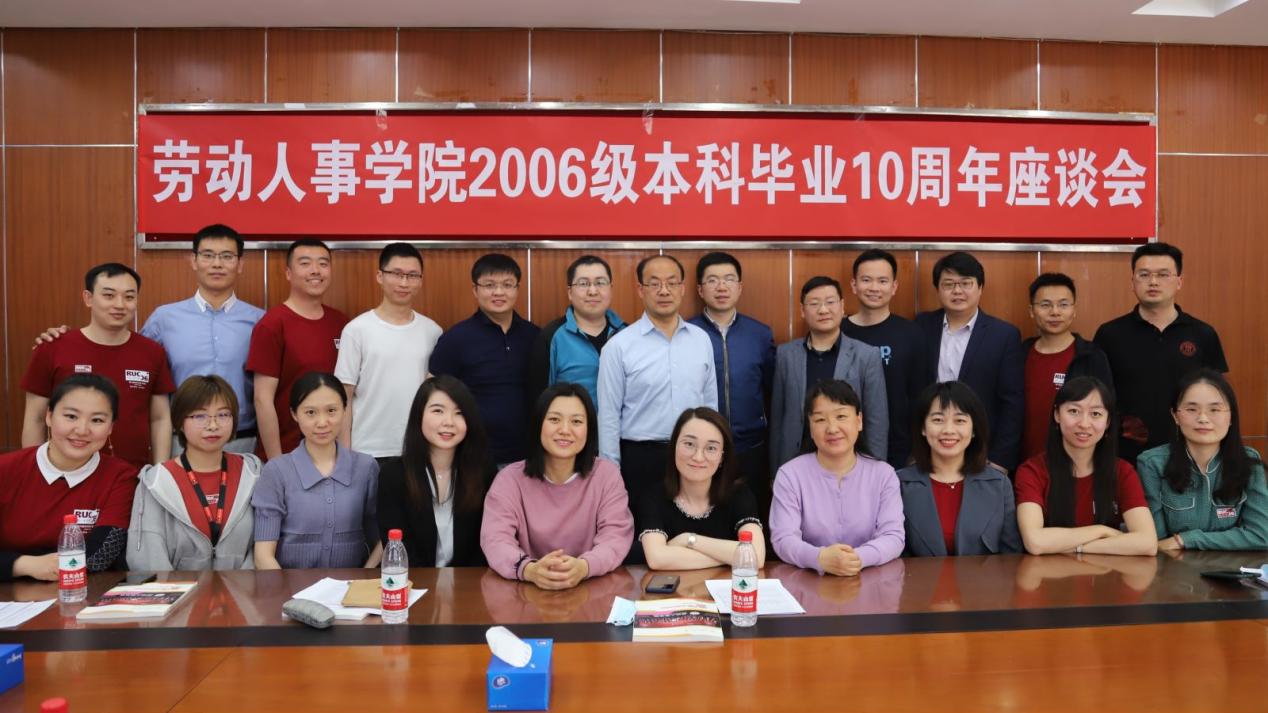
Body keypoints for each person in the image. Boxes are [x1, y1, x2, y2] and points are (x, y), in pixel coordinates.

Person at [34, 225, 265, 455]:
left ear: (240, 264)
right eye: (208, 255)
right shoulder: (164, 319)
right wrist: (65, 339)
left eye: (227, 256)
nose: (217, 264)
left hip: (242, 438)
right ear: (194, 261)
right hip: (180, 441)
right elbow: (129, 357)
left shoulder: (260, 321)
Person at [21, 263, 176, 467]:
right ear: (88, 298)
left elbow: (159, 418)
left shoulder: (152, 352)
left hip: (132, 472)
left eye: (129, 297)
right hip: (66, 470)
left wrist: (161, 471)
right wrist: (33, 472)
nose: (120, 304)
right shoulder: (53, 347)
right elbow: (35, 418)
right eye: (109, 295)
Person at [481, 383, 634, 589]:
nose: (565, 430)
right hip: (526, 590)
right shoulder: (509, 480)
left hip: (592, 588)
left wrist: (583, 567)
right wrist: (530, 570)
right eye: (554, 419)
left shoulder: (606, 476)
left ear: (589, 429)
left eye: (576, 421)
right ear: (538, 424)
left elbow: (616, 537)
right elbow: (495, 539)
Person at [597, 254, 717, 504]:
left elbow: (710, 406)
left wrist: (712, 454)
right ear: (640, 290)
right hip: (641, 458)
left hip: (694, 456)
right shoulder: (619, 346)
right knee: (642, 527)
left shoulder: (701, 340)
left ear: (682, 288)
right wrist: (611, 474)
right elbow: (608, 416)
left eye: (672, 283)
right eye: (654, 283)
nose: (664, 291)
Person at [1094, 242, 1228, 464]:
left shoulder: (1202, 333)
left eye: (1163, 275)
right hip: (1125, 454)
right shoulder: (1109, 334)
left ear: (1179, 281)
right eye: (1144, 275)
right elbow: (1097, 395)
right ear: (1133, 282)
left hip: (1190, 451)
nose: (1153, 282)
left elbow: (1219, 398)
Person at [1, 375, 137, 581]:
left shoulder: (121, 477)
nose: (82, 430)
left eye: (97, 420)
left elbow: (100, 555)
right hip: (10, 591)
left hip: (86, 590)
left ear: (110, 427)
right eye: (71, 416)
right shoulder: (5, 469)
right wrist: (24, 564)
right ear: (49, 416)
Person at [127, 375, 263, 571]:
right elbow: (148, 559)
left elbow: (263, 547)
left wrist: (242, 587)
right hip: (176, 590)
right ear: (180, 422)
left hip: (243, 588)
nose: (213, 425)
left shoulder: (253, 473)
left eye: (223, 415)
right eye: (200, 416)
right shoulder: (156, 481)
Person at [770, 380, 905, 576]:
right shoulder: (789, 475)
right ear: (810, 427)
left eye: (841, 416)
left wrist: (856, 559)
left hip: (871, 580)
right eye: (820, 420)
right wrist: (820, 558)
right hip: (807, 581)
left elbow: (893, 536)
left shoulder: (884, 475)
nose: (832, 428)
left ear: (859, 421)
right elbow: (783, 538)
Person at [1014, 376, 1157, 556]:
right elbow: (1035, 542)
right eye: (1074, 411)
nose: (1084, 424)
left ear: (1108, 422)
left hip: (1106, 572)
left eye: (1095, 414)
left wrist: (1078, 548)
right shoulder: (1032, 471)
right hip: (1047, 572)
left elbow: (1147, 543)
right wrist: (1102, 531)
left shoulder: (1122, 472)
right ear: (1057, 415)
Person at [251, 372, 381, 569]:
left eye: (331, 411)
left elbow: (382, 538)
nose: (322, 422)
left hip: (352, 586)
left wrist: (365, 577)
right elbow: (263, 556)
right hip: (289, 586)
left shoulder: (366, 467)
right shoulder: (277, 471)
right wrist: (286, 589)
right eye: (310, 413)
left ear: (345, 409)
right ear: (294, 414)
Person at [687, 252, 776, 523]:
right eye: (712, 280)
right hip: (700, 447)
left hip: (751, 446)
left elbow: (771, 390)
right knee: (707, 517)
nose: (721, 287)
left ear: (740, 287)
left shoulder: (760, 334)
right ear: (700, 289)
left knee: (752, 518)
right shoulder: (686, 333)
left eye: (728, 279)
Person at [914, 252, 1024, 471]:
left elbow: (1012, 402)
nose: (957, 291)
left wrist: (1001, 459)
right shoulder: (921, 326)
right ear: (938, 289)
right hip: (929, 447)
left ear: (980, 287)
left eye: (966, 283)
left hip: (983, 451)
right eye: (949, 284)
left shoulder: (1004, 335)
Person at [1137, 370, 1268, 551]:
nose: (1203, 419)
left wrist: (1187, 539)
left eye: (1214, 409)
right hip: (1173, 566)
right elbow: (1155, 540)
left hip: (1232, 566)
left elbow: (1261, 536)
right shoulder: (1152, 464)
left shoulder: (1249, 462)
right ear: (1175, 416)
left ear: (1231, 416)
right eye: (1192, 409)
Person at [335, 242, 442, 461]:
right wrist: (344, 456)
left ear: (421, 280)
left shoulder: (433, 331)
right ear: (380, 276)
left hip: (418, 448)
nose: (404, 283)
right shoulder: (356, 330)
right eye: (396, 274)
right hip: (367, 450)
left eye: (412, 276)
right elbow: (343, 397)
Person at [429, 253, 540, 466]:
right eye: (489, 285)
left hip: (528, 456)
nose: (499, 292)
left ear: (517, 289)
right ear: (475, 289)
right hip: (473, 457)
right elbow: (434, 395)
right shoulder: (455, 339)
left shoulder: (535, 336)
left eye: (507, 284)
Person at [247, 238, 349, 461]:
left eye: (323, 263)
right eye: (305, 263)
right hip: (288, 453)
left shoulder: (342, 323)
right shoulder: (272, 324)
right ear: (288, 273)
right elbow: (263, 399)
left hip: (332, 453)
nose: (315, 270)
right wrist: (277, 463)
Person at [772, 276, 887, 470]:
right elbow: (777, 417)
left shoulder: (866, 356)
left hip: (849, 462)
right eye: (814, 303)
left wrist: (876, 469)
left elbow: (877, 420)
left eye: (830, 302)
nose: (823, 310)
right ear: (802, 311)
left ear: (842, 307)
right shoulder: (785, 355)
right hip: (795, 461)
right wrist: (775, 470)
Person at [377, 375, 494, 567]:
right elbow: (398, 546)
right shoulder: (394, 475)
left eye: (459, 413)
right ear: (419, 415)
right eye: (438, 411)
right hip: (412, 580)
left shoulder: (483, 471)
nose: (449, 422)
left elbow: (487, 542)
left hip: (469, 581)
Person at [897, 382, 1022, 557]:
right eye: (938, 420)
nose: (948, 430)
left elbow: (1011, 557)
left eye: (960, 420)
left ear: (974, 430)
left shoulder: (999, 485)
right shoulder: (899, 484)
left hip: (985, 576)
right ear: (923, 428)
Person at [638, 407, 765, 570]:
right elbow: (657, 559)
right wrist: (731, 557)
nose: (698, 457)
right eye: (689, 444)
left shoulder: (738, 494)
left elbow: (756, 556)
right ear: (674, 446)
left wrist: (689, 540)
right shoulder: (654, 496)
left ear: (722, 457)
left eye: (711, 448)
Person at [844, 249, 927, 469]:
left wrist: (916, 450)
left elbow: (921, 397)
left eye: (882, 281)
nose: (874, 288)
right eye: (866, 280)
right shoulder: (837, 332)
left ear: (894, 286)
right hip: (843, 446)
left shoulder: (912, 334)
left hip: (899, 451)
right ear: (854, 285)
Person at [1021, 273, 1113, 461]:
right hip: (1023, 462)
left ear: (1074, 310)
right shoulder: (1019, 354)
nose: (1055, 312)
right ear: (1031, 311)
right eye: (1045, 305)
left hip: (1075, 462)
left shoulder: (1091, 356)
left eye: (1063, 305)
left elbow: (1106, 410)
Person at [528, 254, 626, 405]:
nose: (592, 291)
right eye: (583, 283)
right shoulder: (551, 337)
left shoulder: (627, 334)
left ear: (610, 289)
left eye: (600, 283)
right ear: (570, 292)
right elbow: (539, 401)